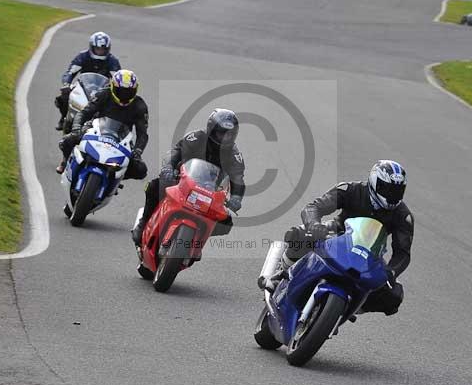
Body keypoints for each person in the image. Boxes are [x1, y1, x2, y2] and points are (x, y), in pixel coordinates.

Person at [270, 160, 413, 316]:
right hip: (337, 234)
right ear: (374, 182)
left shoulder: (403, 216)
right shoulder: (351, 189)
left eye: (397, 191)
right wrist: (314, 225)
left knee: (394, 295)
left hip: (370, 252)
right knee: (299, 235)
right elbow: (314, 207)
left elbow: (402, 253)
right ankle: (280, 274)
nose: (392, 195)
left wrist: (391, 272)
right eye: (387, 189)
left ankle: (348, 309)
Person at [132, 108, 246, 247]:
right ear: (211, 129)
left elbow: (238, 178)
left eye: (229, 135)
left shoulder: (234, 155)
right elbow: (175, 151)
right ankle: (143, 223)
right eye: (221, 133)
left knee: (226, 222)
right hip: (183, 180)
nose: (225, 138)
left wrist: (236, 198)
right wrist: (168, 167)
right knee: (154, 186)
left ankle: (197, 241)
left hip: (210, 192)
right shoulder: (196, 137)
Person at [56, 69, 148, 181]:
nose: (124, 95)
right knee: (67, 141)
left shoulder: (140, 106)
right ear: (113, 87)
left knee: (141, 170)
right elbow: (84, 112)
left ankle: (115, 178)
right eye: (121, 91)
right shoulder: (104, 93)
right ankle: (66, 162)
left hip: (122, 138)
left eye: (128, 92)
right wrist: (76, 128)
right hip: (95, 128)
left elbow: (142, 133)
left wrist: (137, 151)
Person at [54, 31, 121, 130]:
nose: (100, 51)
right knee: (62, 97)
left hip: (103, 90)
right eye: (98, 49)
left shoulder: (112, 61)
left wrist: (118, 91)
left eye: (103, 49)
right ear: (92, 47)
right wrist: (66, 83)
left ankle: (110, 129)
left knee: (117, 105)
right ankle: (64, 118)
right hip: (82, 86)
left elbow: (118, 78)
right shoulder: (83, 56)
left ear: (107, 49)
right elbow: (70, 72)